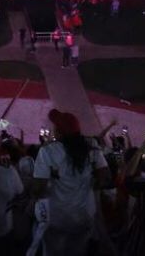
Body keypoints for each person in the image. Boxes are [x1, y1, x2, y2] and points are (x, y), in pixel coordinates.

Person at [32, 108, 110, 256]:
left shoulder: (47, 151)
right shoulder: (91, 146)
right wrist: (88, 181)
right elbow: (105, 176)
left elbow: (38, 188)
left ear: (59, 131)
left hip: (57, 216)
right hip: (84, 215)